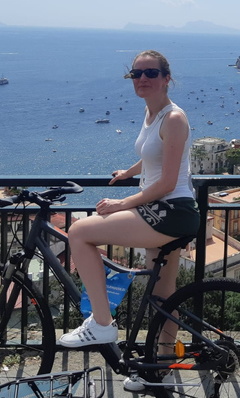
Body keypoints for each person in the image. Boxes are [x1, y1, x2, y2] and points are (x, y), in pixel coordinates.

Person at [58, 50, 200, 391]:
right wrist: (129, 172)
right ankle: (159, 370)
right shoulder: (152, 114)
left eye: (151, 73)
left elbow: (167, 182)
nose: (143, 79)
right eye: (136, 74)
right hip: (165, 210)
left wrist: (123, 203)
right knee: (164, 295)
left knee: (79, 233)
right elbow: (153, 155)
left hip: (171, 210)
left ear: (167, 77)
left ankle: (102, 324)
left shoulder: (174, 118)